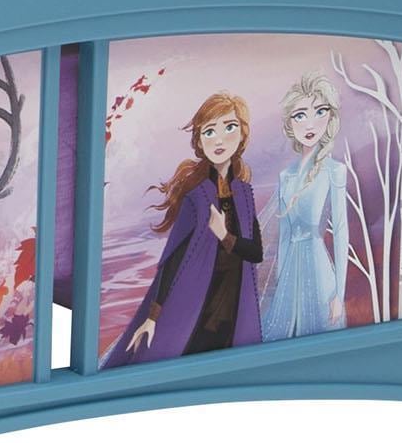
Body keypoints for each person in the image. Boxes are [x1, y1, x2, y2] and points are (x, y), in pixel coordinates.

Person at [103, 91, 264, 367]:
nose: (219, 139)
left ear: (242, 135)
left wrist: (225, 236)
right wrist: (153, 317)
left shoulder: (244, 194)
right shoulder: (197, 198)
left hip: (234, 300)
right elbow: (174, 258)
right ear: (199, 141)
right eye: (209, 131)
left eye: (229, 127)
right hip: (198, 303)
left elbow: (256, 253)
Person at [259, 71, 350, 337]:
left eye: (319, 112)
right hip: (289, 272)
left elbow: (341, 232)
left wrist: (339, 294)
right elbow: (284, 236)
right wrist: (279, 286)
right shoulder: (285, 176)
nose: (310, 124)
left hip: (319, 270)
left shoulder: (334, 171)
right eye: (300, 115)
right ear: (290, 123)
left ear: (330, 117)